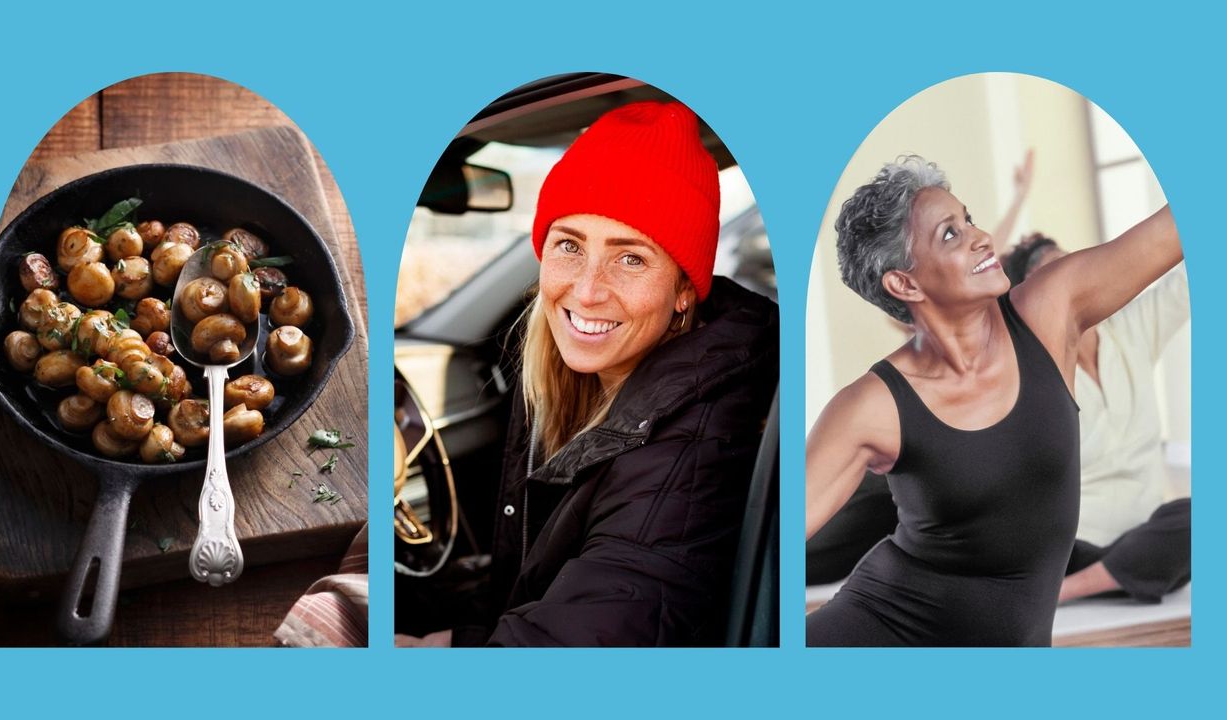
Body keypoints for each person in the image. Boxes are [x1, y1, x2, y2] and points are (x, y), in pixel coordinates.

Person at [395, 101, 779, 647]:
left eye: (631, 259)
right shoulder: (575, 383)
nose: (588, 289)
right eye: (569, 245)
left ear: (685, 290)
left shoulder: (694, 449)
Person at [805, 156, 1180, 646]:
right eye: (949, 234)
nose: (981, 238)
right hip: (884, 628)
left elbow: (1171, 231)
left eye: (970, 219)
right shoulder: (871, 406)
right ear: (905, 283)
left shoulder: (1049, 310)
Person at [1003, 235, 1190, 603]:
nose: (1075, 284)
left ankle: (1062, 592)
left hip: (1147, 534)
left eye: (1077, 268)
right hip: (1073, 547)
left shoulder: (1131, 326)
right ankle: (1080, 584)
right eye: (1054, 278)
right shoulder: (1023, 369)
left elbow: (1184, 282)